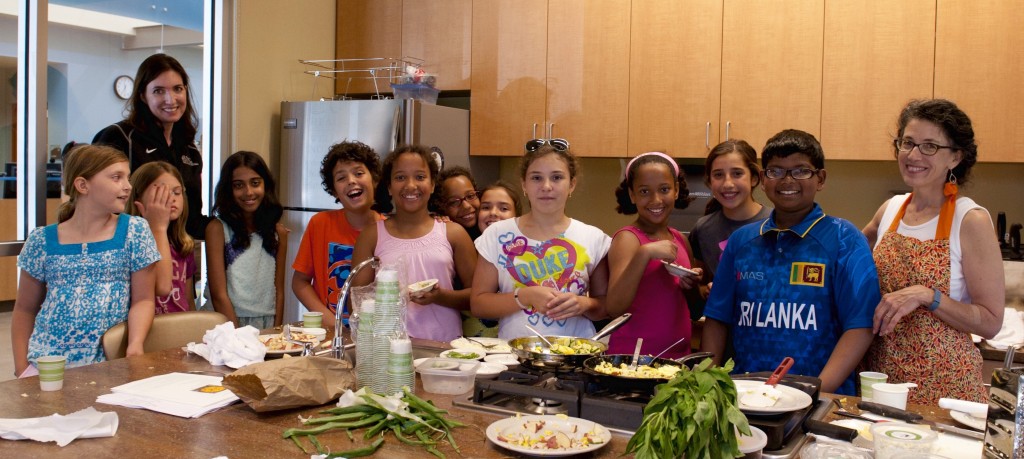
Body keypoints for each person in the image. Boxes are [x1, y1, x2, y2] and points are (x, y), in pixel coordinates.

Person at [701, 129, 880, 395]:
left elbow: (861, 326)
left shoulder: (844, 239)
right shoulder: (742, 242)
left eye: (801, 171)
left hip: (820, 398)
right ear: (762, 179)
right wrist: (707, 381)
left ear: (820, 179)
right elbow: (717, 318)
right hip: (744, 395)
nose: (787, 180)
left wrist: (816, 392)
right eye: (776, 171)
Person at [862, 99, 1004, 405]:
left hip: (946, 389)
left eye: (930, 146)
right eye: (908, 143)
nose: (914, 155)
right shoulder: (889, 210)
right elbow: (845, 260)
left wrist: (928, 295)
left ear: (955, 157)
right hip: (883, 380)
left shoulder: (970, 220)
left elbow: (991, 322)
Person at [11, 145, 160, 376]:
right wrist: (22, 368)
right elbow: (24, 309)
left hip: (109, 365)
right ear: (83, 185)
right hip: (45, 367)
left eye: (127, 177)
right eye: (116, 177)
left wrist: (135, 345)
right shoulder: (41, 240)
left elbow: (143, 300)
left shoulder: (135, 231)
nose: (128, 186)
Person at [471, 141, 611, 340]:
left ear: (571, 184)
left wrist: (584, 304)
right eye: (536, 178)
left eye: (557, 177)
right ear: (524, 184)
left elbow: (605, 306)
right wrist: (524, 297)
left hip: (575, 356)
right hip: (514, 354)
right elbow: (479, 304)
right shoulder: (497, 235)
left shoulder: (594, 238)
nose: (546, 186)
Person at [350, 145, 477, 342]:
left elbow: (477, 297)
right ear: (389, 187)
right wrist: (391, 297)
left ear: (433, 184)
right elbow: (356, 304)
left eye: (420, 177)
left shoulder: (453, 233)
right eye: (400, 177)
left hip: (444, 348)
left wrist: (440, 296)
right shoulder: (372, 235)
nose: (411, 185)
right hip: (387, 348)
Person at [93, 53, 208, 240]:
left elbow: (192, 220)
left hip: (177, 259)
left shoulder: (190, 150)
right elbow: (96, 210)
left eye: (177, 89)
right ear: (143, 96)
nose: (171, 100)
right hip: (130, 255)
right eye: (158, 91)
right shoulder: (118, 137)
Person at [606, 152, 700, 358]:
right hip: (633, 360)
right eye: (644, 191)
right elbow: (614, 307)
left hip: (678, 358)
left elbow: (696, 311)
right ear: (632, 195)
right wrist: (645, 253)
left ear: (676, 190)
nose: (656, 200)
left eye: (664, 189)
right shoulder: (628, 239)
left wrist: (692, 286)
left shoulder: (681, 240)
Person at [291, 141, 383, 330]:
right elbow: (300, 283)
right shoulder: (320, 224)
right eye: (341, 178)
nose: (351, 180)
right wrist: (333, 324)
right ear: (334, 191)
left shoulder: (389, 229)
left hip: (376, 335)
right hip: (330, 334)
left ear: (374, 179)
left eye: (359, 173)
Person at [205, 151, 288, 328]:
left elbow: (279, 291)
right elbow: (218, 294)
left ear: (266, 185)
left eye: (255, 183)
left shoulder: (278, 232)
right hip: (224, 323)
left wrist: (276, 330)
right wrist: (239, 337)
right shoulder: (217, 229)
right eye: (238, 185)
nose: (248, 192)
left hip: (265, 322)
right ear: (229, 189)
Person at [689, 139, 772, 313]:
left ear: (755, 178)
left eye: (737, 173)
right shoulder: (703, 229)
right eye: (718, 175)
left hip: (767, 329)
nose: (727, 183)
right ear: (709, 181)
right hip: (721, 330)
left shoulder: (776, 223)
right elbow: (700, 284)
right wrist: (707, 291)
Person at [127, 161, 197, 314]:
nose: (171, 198)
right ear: (137, 198)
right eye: (161, 193)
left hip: (178, 329)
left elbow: (188, 299)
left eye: (177, 192)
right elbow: (160, 287)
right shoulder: (130, 241)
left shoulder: (184, 244)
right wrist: (157, 227)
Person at [437, 166, 482, 240]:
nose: (466, 206)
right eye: (454, 202)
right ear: (441, 207)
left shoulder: (490, 228)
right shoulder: (443, 236)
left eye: (470, 196)